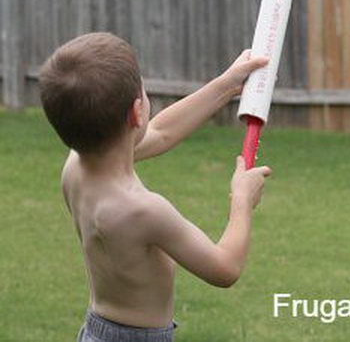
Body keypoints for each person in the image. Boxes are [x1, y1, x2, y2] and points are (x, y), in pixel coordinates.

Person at [38, 31, 272, 342]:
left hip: (96, 331)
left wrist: (226, 84)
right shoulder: (144, 210)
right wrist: (242, 201)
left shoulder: (76, 168)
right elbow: (224, 268)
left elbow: (161, 132)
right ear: (137, 112)